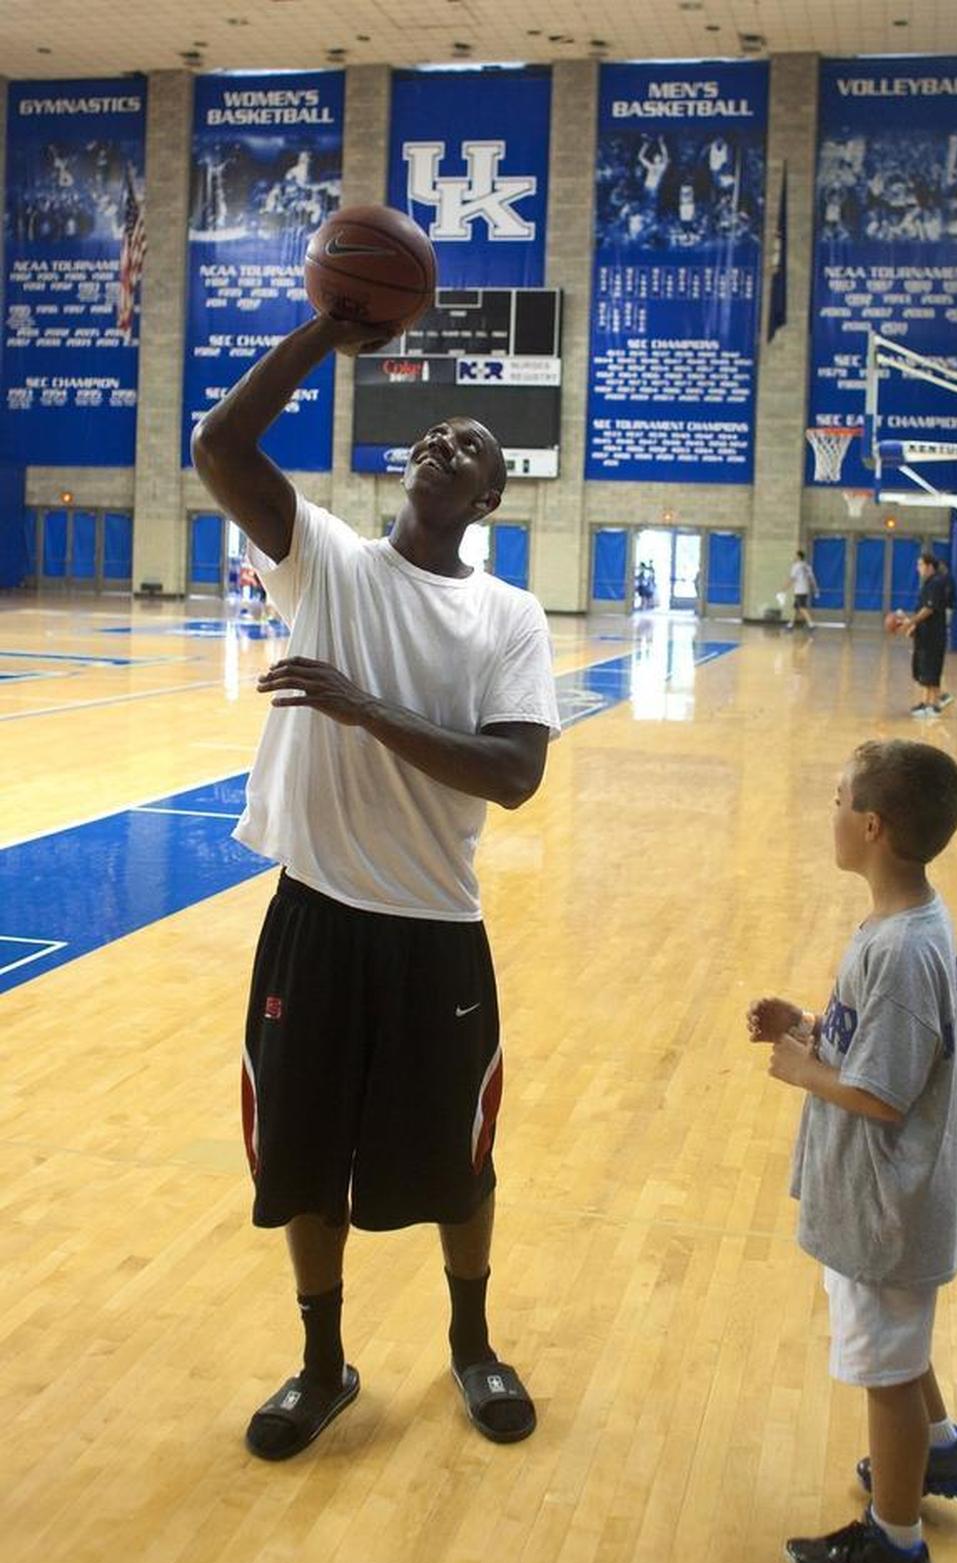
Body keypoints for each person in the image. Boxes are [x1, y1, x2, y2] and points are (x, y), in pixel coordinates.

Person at [191, 310, 561, 1461]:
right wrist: (321, 333)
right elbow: (220, 445)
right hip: (314, 917)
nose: (447, 442)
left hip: (437, 930)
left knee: (457, 1159)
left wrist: (361, 706)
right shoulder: (330, 562)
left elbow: (514, 773)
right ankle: (320, 1363)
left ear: (492, 499)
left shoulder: (507, 615)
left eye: (474, 448)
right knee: (301, 1154)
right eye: (439, 431)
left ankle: (472, 1340)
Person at [746, 740, 957, 1563]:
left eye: (839, 795)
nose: (831, 806)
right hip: (888, 1195)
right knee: (899, 1343)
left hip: (887, 1205)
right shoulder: (902, 925)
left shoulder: (902, 949)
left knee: (885, 1366)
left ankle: (896, 1548)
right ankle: (942, 1449)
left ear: (873, 826)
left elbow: (883, 1095)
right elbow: (880, 1042)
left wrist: (802, 1067)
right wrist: (812, 1024)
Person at [903, 553, 952, 716]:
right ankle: (926, 702)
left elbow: (929, 609)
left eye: (920, 565)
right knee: (923, 670)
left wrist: (911, 621)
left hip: (934, 635)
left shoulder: (935, 584)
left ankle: (934, 705)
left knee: (932, 670)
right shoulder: (928, 584)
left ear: (930, 566)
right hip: (925, 634)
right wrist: (914, 627)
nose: (918, 569)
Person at [785, 549, 819, 631]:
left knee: (802, 608)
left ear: (798, 557)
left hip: (799, 590)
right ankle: (791, 624)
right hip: (805, 590)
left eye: (795, 555)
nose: (793, 557)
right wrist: (815, 589)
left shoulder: (796, 566)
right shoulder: (807, 566)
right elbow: (812, 579)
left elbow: (792, 578)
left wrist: (784, 588)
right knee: (796, 608)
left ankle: (811, 624)